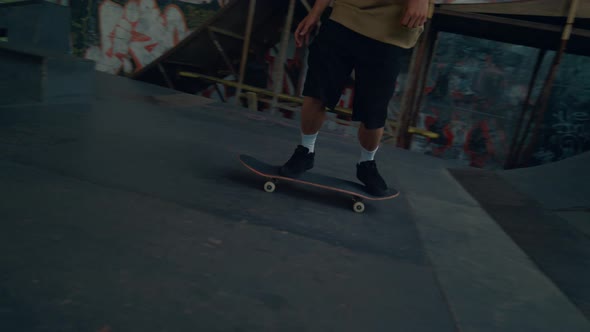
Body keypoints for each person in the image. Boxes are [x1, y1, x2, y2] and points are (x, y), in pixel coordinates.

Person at [279, 0, 429, 196]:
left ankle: (367, 163)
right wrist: (315, 12)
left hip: (390, 31)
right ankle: (305, 151)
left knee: (373, 113)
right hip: (344, 16)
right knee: (317, 91)